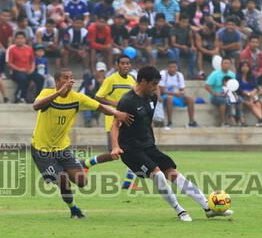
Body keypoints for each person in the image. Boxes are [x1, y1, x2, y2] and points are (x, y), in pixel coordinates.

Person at [110, 65, 233, 222]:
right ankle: (180, 211)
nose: (156, 87)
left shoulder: (152, 97)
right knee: (158, 175)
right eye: (153, 84)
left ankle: (208, 208)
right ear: (142, 81)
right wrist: (115, 146)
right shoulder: (127, 101)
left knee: (174, 173)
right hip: (131, 149)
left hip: (148, 146)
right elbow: (115, 125)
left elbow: (145, 122)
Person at [31, 69, 133, 219]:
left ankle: (83, 163)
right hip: (42, 150)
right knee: (63, 180)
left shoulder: (77, 98)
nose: (69, 81)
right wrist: (58, 93)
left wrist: (117, 114)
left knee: (81, 181)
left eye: (71, 78)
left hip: (62, 148)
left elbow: (100, 107)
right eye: (65, 78)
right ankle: (74, 209)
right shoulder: (47, 93)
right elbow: (36, 106)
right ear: (57, 81)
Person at [83, 54, 138, 188]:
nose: (126, 66)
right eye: (123, 63)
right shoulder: (111, 79)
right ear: (116, 65)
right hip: (113, 121)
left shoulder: (132, 80)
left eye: (128, 63)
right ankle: (86, 163)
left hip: (128, 121)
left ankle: (127, 182)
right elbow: (98, 97)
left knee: (135, 150)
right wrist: (115, 103)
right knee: (113, 153)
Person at [6, 31, 45, 102]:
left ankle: (37, 97)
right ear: (15, 39)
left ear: (25, 39)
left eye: (22, 38)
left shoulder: (29, 49)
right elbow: (9, 63)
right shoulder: (11, 49)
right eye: (18, 38)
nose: (20, 40)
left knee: (40, 78)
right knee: (23, 78)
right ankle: (20, 97)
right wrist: (20, 69)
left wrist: (32, 69)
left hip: (28, 71)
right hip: (16, 71)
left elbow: (33, 61)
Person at [159, 61, 197, 128]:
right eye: (171, 67)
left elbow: (182, 89)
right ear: (167, 68)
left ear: (177, 68)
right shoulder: (163, 74)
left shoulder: (179, 75)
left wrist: (181, 93)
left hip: (176, 96)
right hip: (165, 96)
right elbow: (162, 90)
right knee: (169, 98)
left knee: (190, 99)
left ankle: (191, 122)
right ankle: (169, 122)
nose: (173, 69)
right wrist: (174, 93)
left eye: (174, 67)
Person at [205, 57, 236, 126]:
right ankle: (223, 121)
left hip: (228, 95)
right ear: (221, 64)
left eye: (228, 63)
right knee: (223, 100)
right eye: (225, 63)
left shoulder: (232, 75)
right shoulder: (215, 74)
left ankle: (238, 120)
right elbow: (207, 86)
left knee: (239, 99)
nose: (226, 65)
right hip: (216, 96)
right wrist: (216, 94)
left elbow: (234, 87)